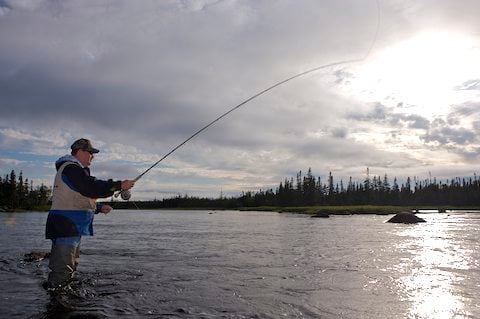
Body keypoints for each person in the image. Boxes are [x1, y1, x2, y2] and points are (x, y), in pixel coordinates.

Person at [45, 138, 135, 289]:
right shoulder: (71, 168)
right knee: (62, 271)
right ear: (79, 152)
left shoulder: (73, 170)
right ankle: (57, 304)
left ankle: (64, 299)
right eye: (90, 153)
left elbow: (79, 197)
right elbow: (90, 187)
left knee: (69, 268)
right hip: (66, 226)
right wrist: (118, 185)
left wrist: (98, 208)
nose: (92, 156)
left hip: (70, 226)